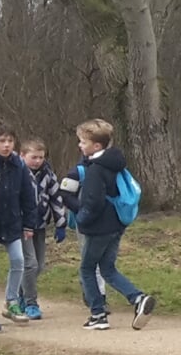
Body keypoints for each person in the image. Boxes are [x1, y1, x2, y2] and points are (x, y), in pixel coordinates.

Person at [66, 119, 157, 333]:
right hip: (117, 224)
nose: (80, 146)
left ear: (96, 146)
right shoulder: (116, 163)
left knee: (87, 269)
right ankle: (137, 298)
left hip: (99, 227)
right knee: (107, 268)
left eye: (83, 142)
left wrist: (81, 218)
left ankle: (98, 314)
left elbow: (93, 202)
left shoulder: (96, 169)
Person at [0, 128, 38, 324]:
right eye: (1, 141)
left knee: (18, 261)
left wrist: (29, 224)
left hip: (13, 222)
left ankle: (12, 301)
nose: (6, 145)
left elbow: (28, 196)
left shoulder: (19, 165)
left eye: (10, 141)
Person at [19, 138, 64, 320]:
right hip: (22, 226)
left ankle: (18, 294)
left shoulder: (48, 175)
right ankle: (31, 303)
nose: (38, 161)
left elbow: (56, 198)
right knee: (30, 264)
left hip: (40, 225)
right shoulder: (18, 173)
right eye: (33, 157)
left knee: (40, 265)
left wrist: (60, 223)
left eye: (41, 157)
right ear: (22, 156)